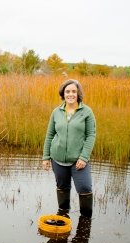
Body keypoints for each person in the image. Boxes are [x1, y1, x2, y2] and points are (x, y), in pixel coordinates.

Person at [42, 79, 96, 218]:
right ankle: (63, 217)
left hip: (78, 161)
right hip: (57, 159)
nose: (70, 94)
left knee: (85, 188)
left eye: (73, 91)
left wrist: (84, 158)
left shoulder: (87, 112)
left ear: (78, 94)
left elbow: (91, 135)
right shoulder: (56, 112)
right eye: (67, 91)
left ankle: (86, 220)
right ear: (63, 94)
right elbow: (50, 135)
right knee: (62, 188)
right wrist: (46, 157)